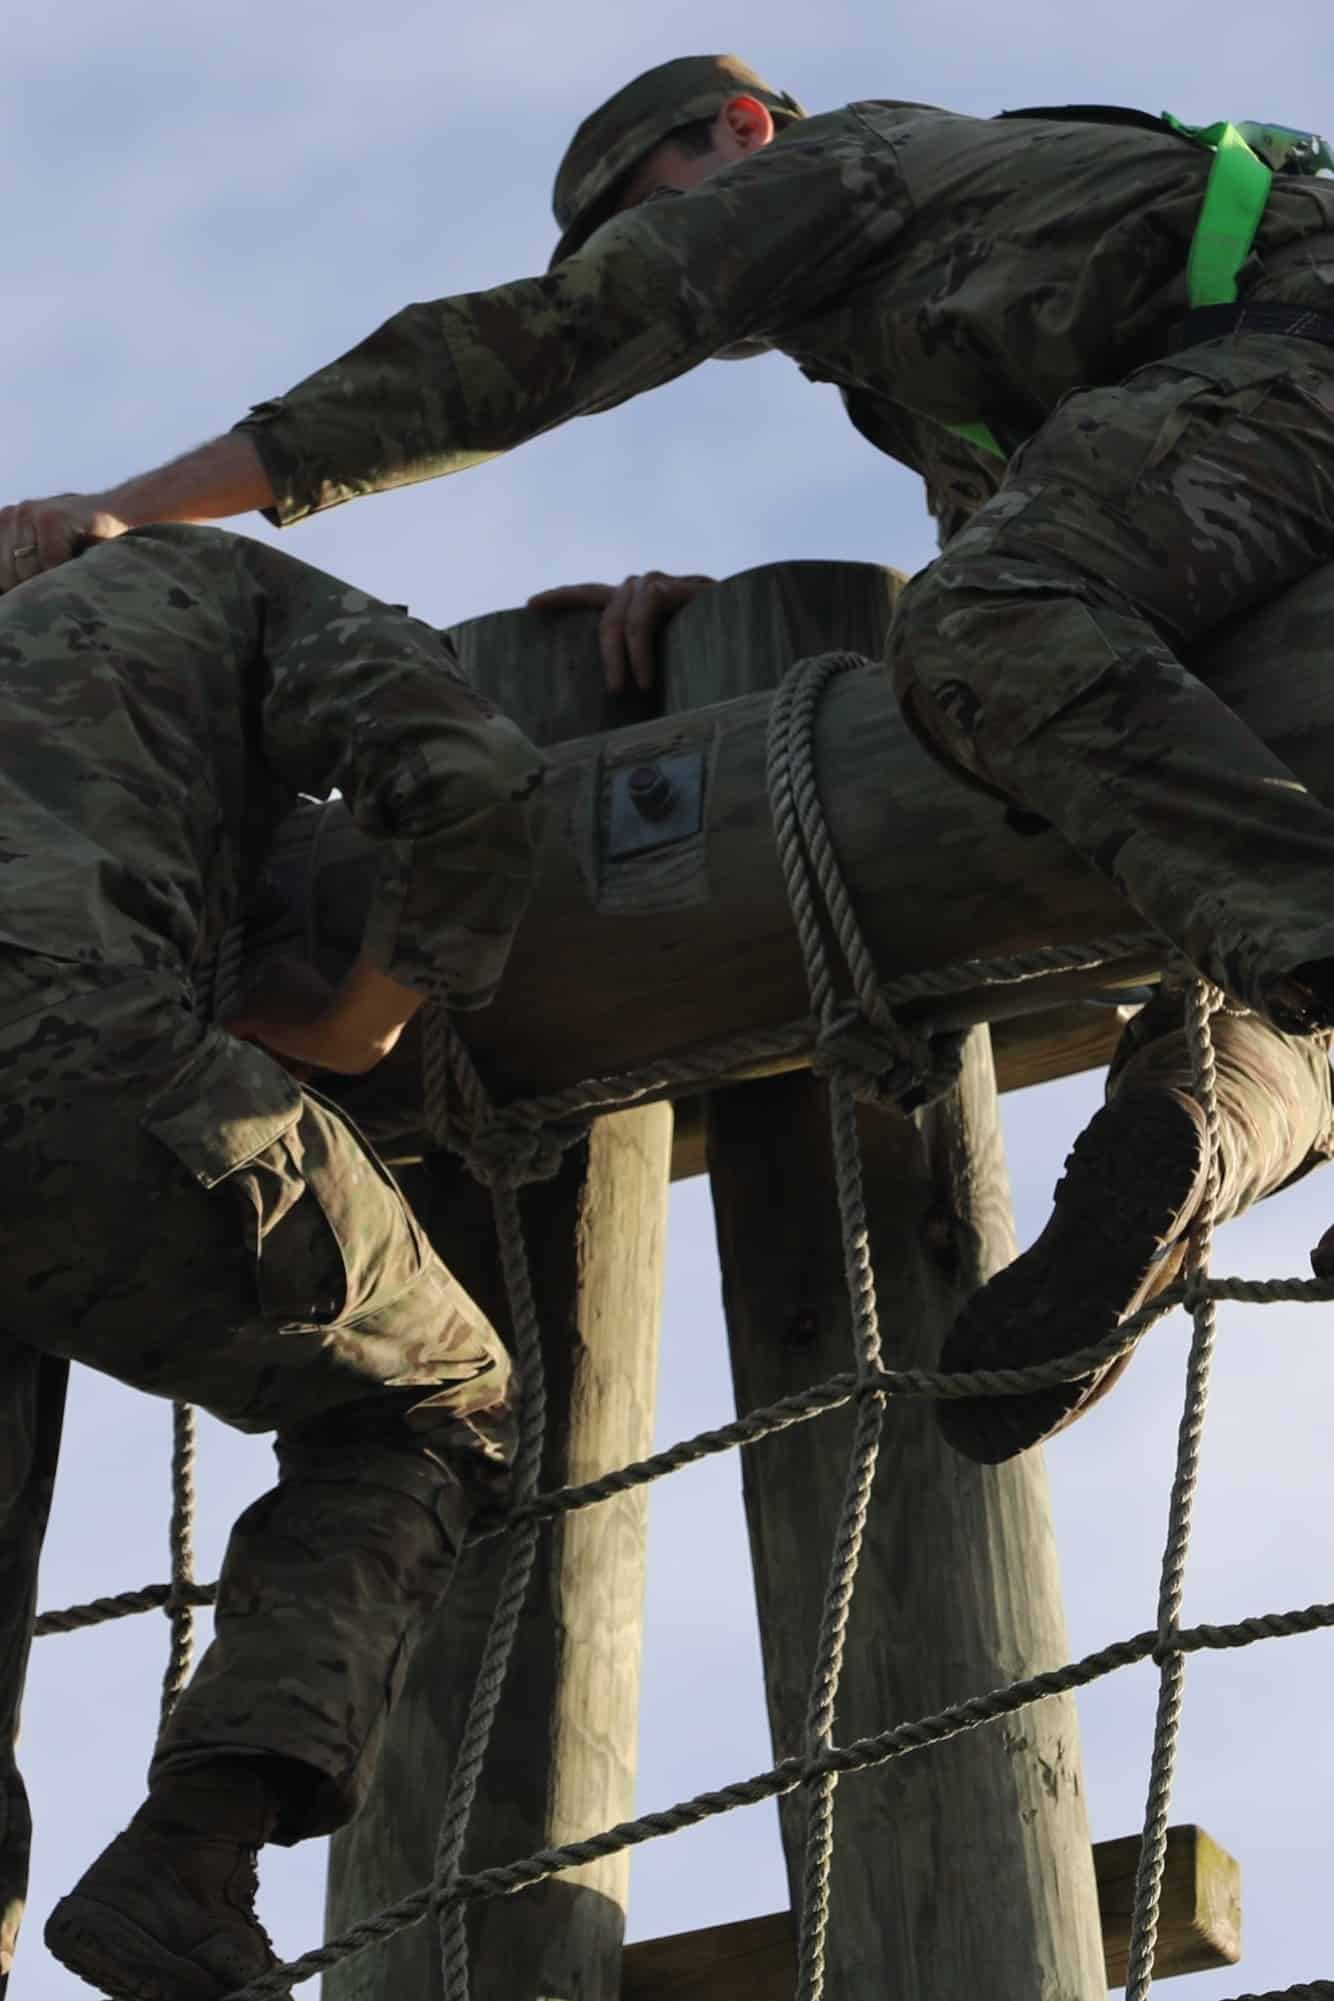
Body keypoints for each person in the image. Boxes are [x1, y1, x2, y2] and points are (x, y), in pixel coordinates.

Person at [3, 56, 1334, 1464]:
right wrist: (729, 643)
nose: (659, 253)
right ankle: (1208, 1122)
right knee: (1173, 847)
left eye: (652, 210)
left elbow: (561, 336)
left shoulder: (852, 162)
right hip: (1261, 445)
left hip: (1295, 364)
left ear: (740, 132)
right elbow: (1062, 640)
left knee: (990, 630)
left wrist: (130, 513)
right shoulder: (950, 363)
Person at [0, 522, 543, 1999]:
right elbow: (471, 773)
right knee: (436, 1398)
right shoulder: (198, 580)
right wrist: (362, 1022)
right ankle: (191, 1852)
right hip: (53, 1043)